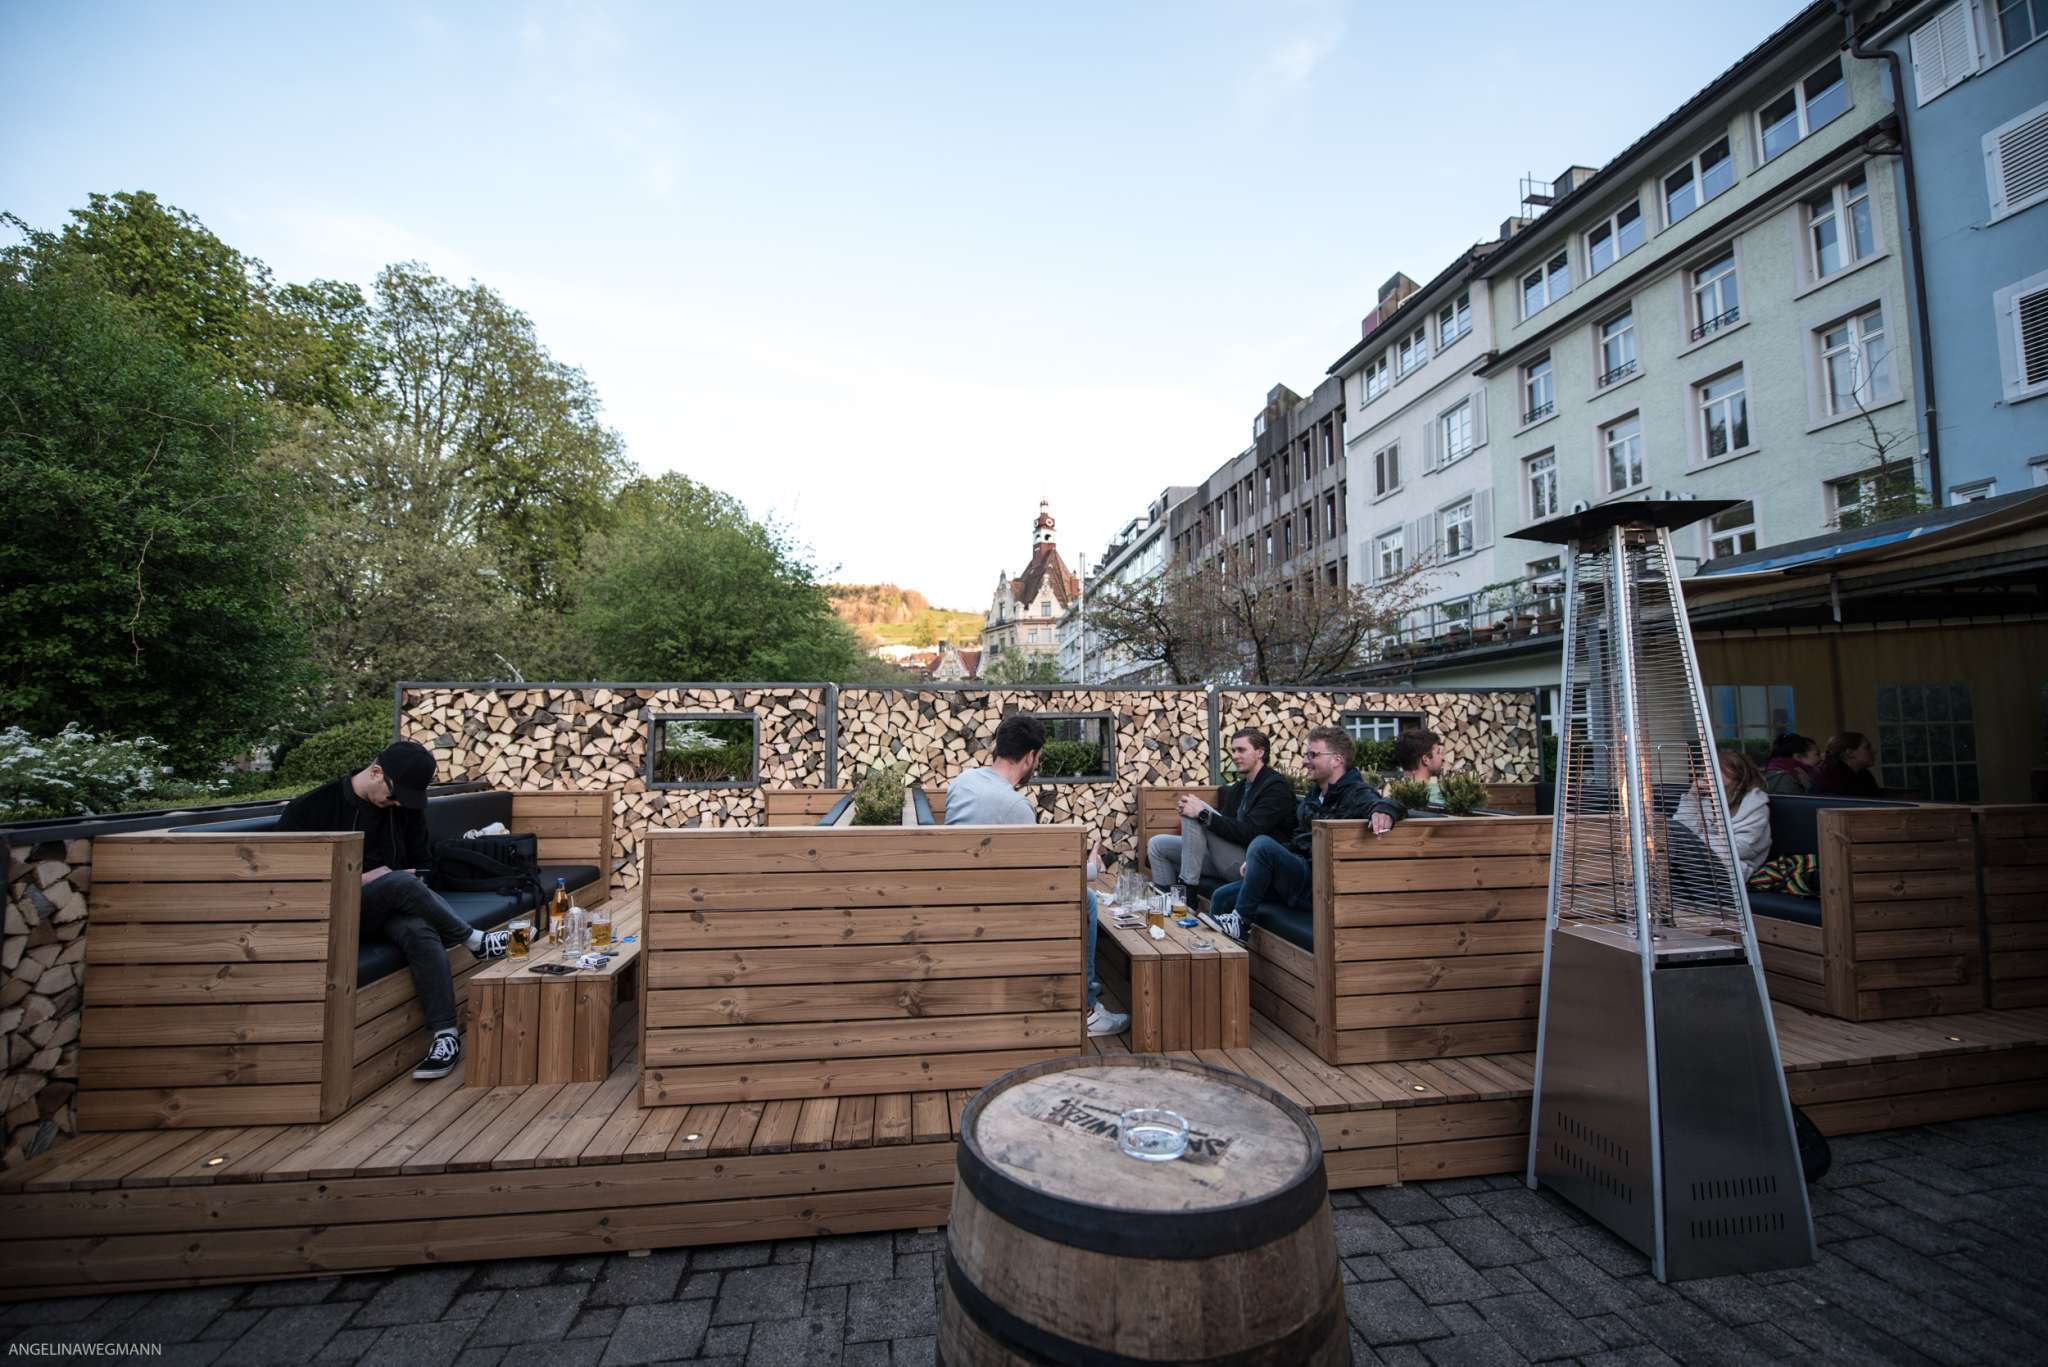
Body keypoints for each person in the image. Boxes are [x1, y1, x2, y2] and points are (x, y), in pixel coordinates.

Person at [275, 740, 509, 1080]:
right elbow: (287, 878)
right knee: (396, 881)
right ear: (375, 772)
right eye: (394, 795)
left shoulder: (405, 809)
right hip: (332, 912)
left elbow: (425, 864)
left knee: (419, 930)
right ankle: (473, 940)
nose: (398, 803)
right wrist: (367, 877)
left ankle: (445, 1036)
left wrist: (412, 879)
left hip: (390, 909)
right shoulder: (313, 808)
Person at [946, 713, 1128, 1038]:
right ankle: (1085, 1008)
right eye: (1039, 757)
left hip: (961, 896)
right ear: (1030, 756)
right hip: (994, 914)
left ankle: (1084, 982)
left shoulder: (963, 782)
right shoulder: (1015, 806)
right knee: (1085, 899)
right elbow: (1043, 877)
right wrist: (1091, 869)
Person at [1209, 726, 1405, 936]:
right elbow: (1296, 839)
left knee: (1261, 843)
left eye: (1313, 755)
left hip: (1319, 886)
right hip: (1297, 873)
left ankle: (1240, 922)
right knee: (1222, 897)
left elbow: (1388, 803)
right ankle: (1225, 953)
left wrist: (1385, 810)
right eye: (1306, 755)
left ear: (1337, 760)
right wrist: (1260, 862)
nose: (1304, 761)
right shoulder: (1315, 795)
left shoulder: (1356, 793)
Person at [1146, 727, 1294, 893]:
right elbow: (1227, 827)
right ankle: (1167, 903)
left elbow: (1252, 832)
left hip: (1252, 865)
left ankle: (1188, 889)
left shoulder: (1276, 788)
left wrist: (1203, 814)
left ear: (1260, 752)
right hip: (1228, 858)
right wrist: (1201, 815)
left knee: (1196, 808)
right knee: (1157, 844)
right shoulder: (1239, 788)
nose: (1235, 756)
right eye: (1233, 750)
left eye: (1241, 750)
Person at [1672, 748, 1772, 894]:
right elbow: (1682, 830)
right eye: (1706, 770)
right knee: (1669, 832)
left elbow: (1742, 848)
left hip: (1731, 869)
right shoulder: (1705, 800)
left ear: (1737, 774)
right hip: (1693, 864)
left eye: (1717, 769)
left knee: (1672, 834)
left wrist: (1696, 843)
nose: (1707, 774)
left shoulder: (1755, 805)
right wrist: (1692, 798)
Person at [1813, 731, 1881, 798]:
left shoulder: (1864, 774)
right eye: (1867, 747)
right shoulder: (1834, 780)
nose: (1874, 751)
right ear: (1850, 753)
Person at [1392, 727, 1446, 806]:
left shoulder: (1393, 795)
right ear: (1426, 759)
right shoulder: (1440, 795)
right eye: (1438, 752)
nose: (1442, 757)